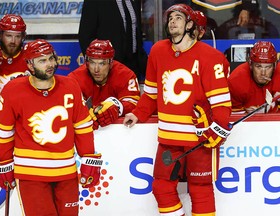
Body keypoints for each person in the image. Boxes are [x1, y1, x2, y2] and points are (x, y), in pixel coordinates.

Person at [123, 4, 232, 216]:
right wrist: (138, 113)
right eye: (170, 17)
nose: (172, 21)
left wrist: (218, 130)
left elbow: (220, 102)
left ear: (190, 24)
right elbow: (152, 93)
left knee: (200, 190)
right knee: (161, 187)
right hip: (168, 138)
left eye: (178, 18)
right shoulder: (158, 51)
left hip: (199, 138)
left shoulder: (211, 57)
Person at [0, 39, 102, 216]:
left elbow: (82, 126)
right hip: (31, 175)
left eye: (51, 58)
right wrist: (4, 163)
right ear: (29, 64)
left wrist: (88, 157)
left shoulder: (70, 86)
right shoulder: (13, 90)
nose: (50, 64)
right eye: (42, 61)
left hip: (66, 172)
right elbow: (4, 131)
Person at [68, 39, 140, 130]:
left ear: (111, 63)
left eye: (102, 63)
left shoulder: (126, 75)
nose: (96, 69)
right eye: (92, 63)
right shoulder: (74, 79)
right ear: (87, 62)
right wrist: (83, 114)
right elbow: (68, 107)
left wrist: (118, 107)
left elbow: (134, 103)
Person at [78, 0, 148, 81]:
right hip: (108, 70)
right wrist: (100, 65)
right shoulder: (94, 2)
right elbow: (85, 36)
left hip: (133, 67)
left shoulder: (135, 1)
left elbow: (136, 33)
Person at [228, 41, 280, 114]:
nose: (263, 73)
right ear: (250, 65)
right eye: (258, 66)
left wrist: (273, 109)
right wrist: (247, 114)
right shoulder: (236, 80)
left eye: (268, 67)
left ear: (275, 66)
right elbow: (230, 116)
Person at [0, 14, 30, 112]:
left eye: (17, 36)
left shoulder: (32, 57)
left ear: (23, 37)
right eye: (8, 36)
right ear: (0, 35)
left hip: (23, 116)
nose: (13, 41)